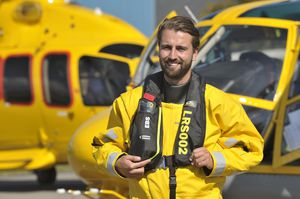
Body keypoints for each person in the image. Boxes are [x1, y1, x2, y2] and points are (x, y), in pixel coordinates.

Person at [92, 16, 264, 199]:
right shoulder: (129, 102)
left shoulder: (218, 103)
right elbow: (103, 146)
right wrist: (118, 163)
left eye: (181, 48)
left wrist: (214, 159)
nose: (172, 56)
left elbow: (252, 150)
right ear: (159, 50)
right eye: (166, 47)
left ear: (195, 53)